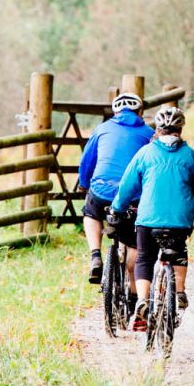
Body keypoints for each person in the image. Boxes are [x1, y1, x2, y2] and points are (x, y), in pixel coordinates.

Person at [111, 106, 194, 333]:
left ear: (157, 129)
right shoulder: (190, 155)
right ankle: (180, 291)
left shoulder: (145, 153)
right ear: (180, 129)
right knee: (179, 252)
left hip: (148, 218)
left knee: (145, 257)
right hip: (180, 220)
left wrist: (117, 208)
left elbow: (127, 186)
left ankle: (143, 300)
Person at [76, 91, 153, 290]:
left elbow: (87, 162)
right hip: (132, 196)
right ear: (140, 111)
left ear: (115, 112)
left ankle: (95, 256)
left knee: (91, 212)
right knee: (134, 238)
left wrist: (84, 184)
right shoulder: (147, 133)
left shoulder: (101, 129)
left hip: (102, 191)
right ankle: (134, 286)